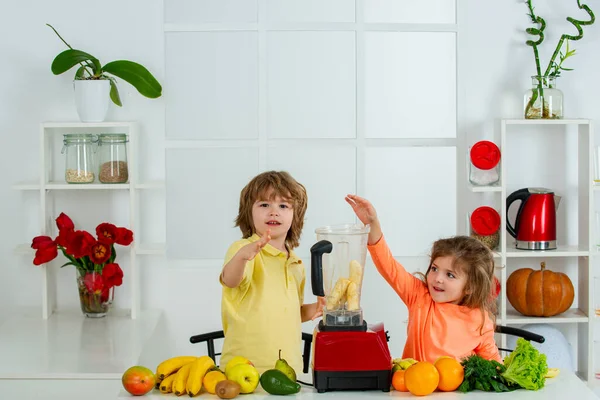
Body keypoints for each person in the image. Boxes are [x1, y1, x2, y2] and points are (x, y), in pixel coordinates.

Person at [345, 194, 501, 363]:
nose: (437, 278)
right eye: (434, 269)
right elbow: (388, 266)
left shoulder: (480, 320)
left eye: (450, 275)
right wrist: (372, 223)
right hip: (413, 386)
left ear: (470, 286)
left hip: (455, 390)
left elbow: (493, 365)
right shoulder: (419, 297)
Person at [219, 171, 325, 374]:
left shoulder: (296, 262)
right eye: (264, 204)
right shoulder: (243, 249)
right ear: (248, 212)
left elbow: (294, 311)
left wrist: (317, 308)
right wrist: (242, 256)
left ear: (295, 217)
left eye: (283, 206)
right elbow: (230, 280)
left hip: (287, 369)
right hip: (243, 368)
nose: (274, 212)